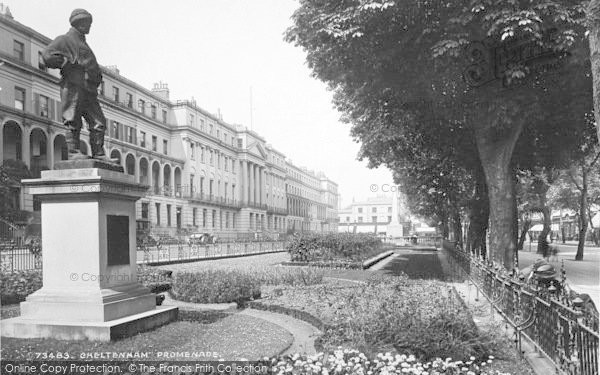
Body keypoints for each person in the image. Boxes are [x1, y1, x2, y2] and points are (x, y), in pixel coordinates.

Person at [42, 9, 108, 160]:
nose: (89, 26)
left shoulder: (83, 43)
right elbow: (47, 55)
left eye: (89, 23)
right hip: (73, 85)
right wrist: (66, 64)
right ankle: (73, 152)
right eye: (86, 22)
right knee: (72, 119)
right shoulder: (64, 39)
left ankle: (98, 153)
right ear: (77, 23)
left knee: (99, 122)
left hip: (89, 89)